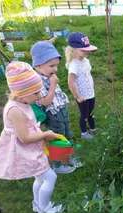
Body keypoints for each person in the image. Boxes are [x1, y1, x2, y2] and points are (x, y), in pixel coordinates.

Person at [0, 62, 63, 213]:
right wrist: (45, 135)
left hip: (31, 149)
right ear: (22, 93)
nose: (39, 96)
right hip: (26, 150)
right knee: (50, 177)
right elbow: (24, 137)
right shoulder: (15, 110)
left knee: (39, 177)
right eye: (35, 93)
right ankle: (45, 208)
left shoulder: (22, 102)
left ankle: (37, 204)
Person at [31, 41, 83, 174]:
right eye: (51, 66)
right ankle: (58, 164)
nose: (55, 69)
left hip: (61, 110)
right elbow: (45, 102)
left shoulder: (48, 75)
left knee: (67, 134)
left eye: (56, 65)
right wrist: (53, 84)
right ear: (38, 65)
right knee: (57, 138)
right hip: (52, 114)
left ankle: (69, 156)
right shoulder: (37, 81)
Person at [66, 32, 98, 140]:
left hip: (90, 93)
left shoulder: (86, 61)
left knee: (92, 113)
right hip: (82, 96)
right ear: (74, 49)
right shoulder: (74, 65)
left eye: (87, 49)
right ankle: (84, 133)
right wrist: (78, 96)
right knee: (84, 115)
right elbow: (71, 82)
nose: (87, 51)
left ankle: (93, 129)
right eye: (83, 50)